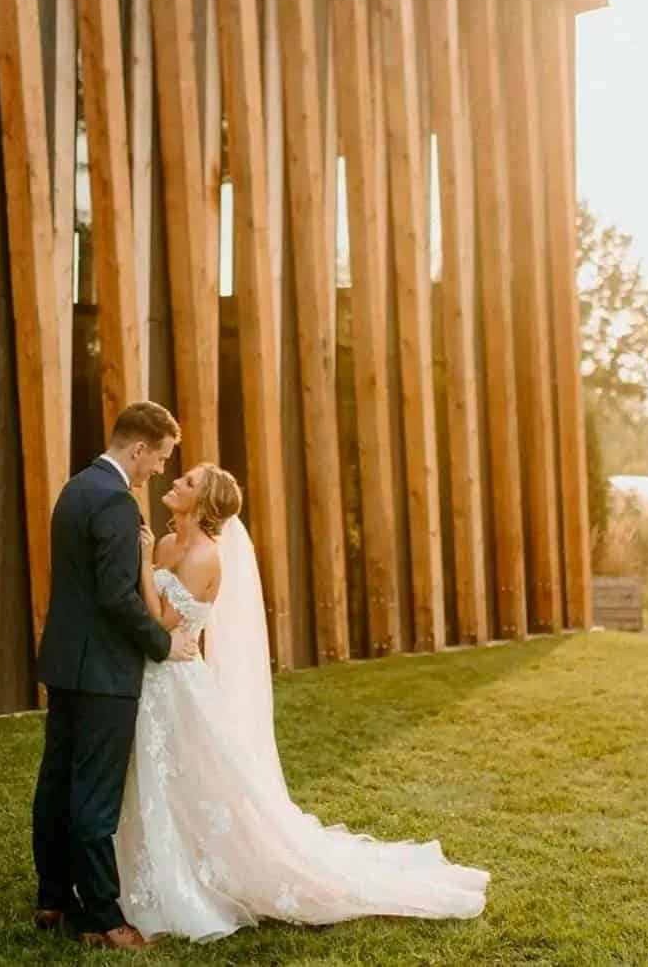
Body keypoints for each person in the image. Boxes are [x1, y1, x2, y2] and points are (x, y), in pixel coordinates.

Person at [115, 462, 490, 943]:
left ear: (204, 503)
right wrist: (151, 560)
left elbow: (163, 621)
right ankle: (152, 865)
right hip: (154, 678)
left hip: (179, 682)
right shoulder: (168, 544)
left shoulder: (206, 555)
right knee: (153, 775)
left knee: (190, 777)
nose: (176, 483)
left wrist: (143, 565)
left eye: (188, 482)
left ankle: (200, 875)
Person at [31, 402, 198, 951]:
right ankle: (104, 918)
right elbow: (115, 596)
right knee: (95, 797)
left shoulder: (76, 488)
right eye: (161, 458)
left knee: (57, 782)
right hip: (103, 670)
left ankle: (54, 898)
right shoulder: (117, 503)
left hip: (65, 663)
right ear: (138, 449)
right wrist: (162, 643)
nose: (159, 470)